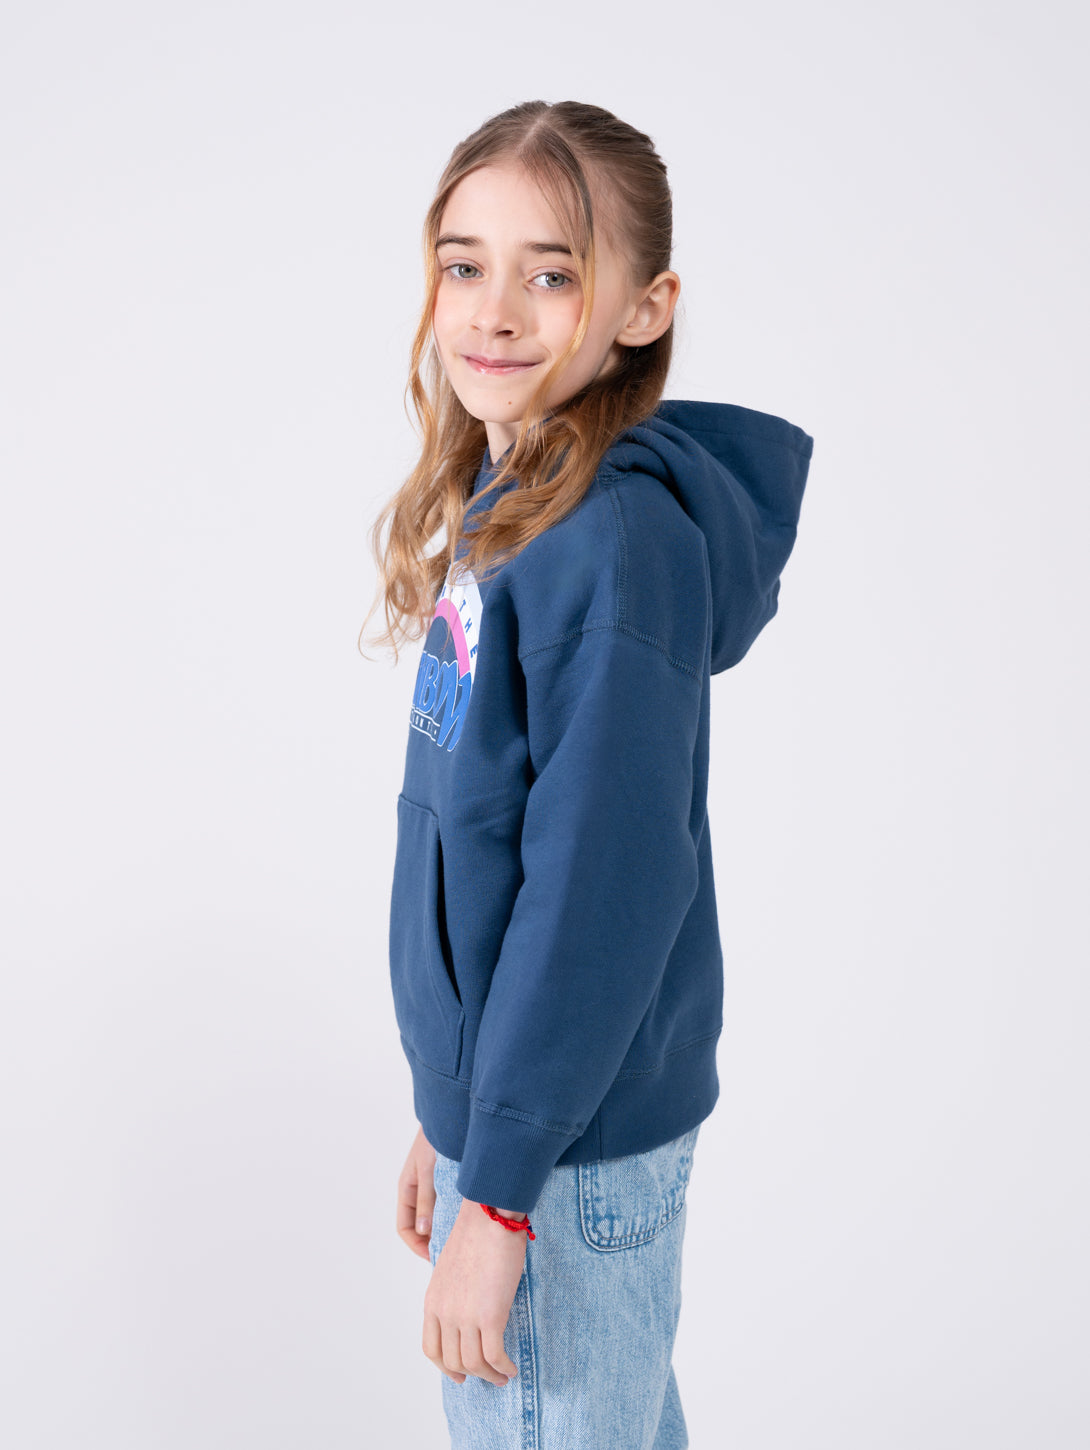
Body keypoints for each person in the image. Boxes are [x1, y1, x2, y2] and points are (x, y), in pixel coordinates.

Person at [361, 99, 813, 1449]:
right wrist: (452, 1111)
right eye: (464, 264)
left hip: (559, 1159)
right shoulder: (518, 510)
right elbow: (485, 841)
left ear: (642, 308)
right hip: (524, 1128)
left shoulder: (609, 544)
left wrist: (500, 1187)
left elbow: (596, 894)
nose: (495, 311)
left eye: (551, 274)